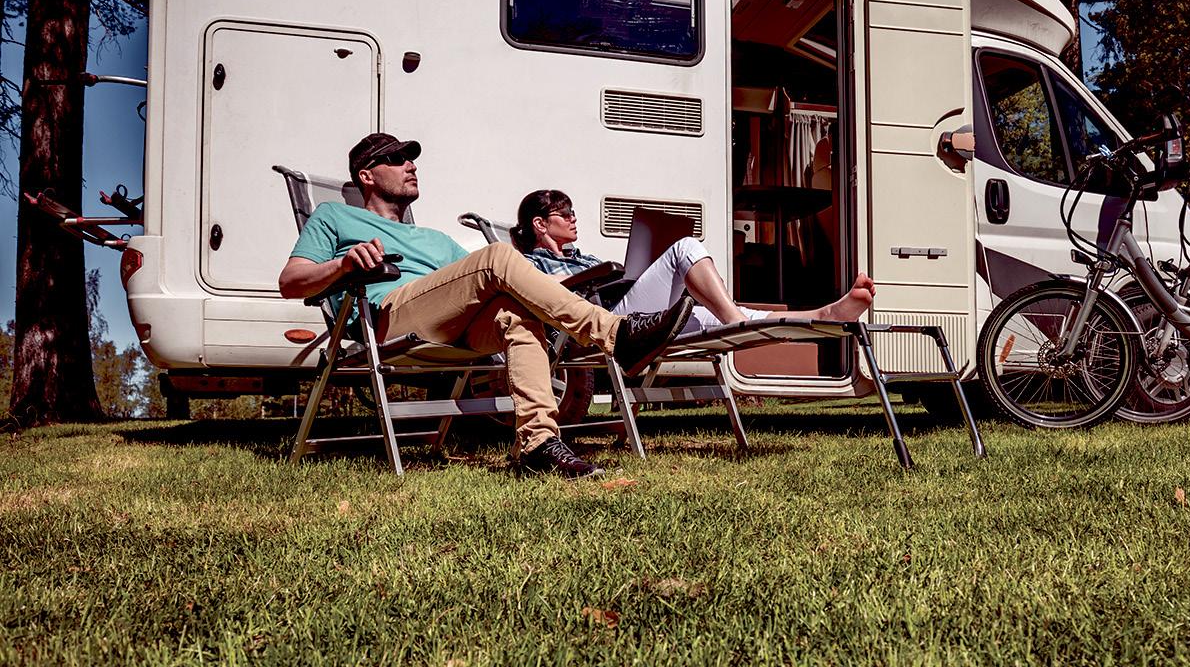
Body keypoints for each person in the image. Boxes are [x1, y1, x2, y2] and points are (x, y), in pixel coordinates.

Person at [278, 134, 694, 479]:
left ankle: (538, 444)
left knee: (518, 315)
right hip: (387, 316)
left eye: (411, 158)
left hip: (449, 324)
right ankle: (617, 335)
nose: (410, 165)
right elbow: (290, 282)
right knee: (498, 256)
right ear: (366, 176)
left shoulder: (435, 239)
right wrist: (342, 265)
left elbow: (496, 278)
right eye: (396, 159)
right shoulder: (335, 216)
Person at [511, 189, 876, 334]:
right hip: (604, 322)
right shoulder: (529, 263)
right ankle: (735, 323)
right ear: (540, 224)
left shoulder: (583, 257)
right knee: (685, 247)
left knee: (721, 314)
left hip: (626, 309)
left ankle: (826, 314)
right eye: (564, 214)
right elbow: (547, 296)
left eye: (573, 212)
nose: (574, 218)